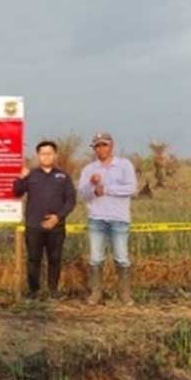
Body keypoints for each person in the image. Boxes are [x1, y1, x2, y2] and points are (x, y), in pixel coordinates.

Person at [77, 131, 137, 305]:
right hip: (97, 219)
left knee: (121, 257)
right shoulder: (89, 169)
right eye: (97, 145)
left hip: (119, 219)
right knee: (96, 258)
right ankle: (96, 294)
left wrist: (107, 189)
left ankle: (124, 294)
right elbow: (83, 193)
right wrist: (93, 188)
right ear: (94, 148)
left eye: (104, 144)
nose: (101, 148)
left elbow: (131, 188)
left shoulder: (124, 165)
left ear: (112, 146)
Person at [13, 140, 76, 299]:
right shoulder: (31, 175)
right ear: (38, 156)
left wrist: (58, 217)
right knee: (34, 259)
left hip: (56, 227)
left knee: (55, 259)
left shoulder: (63, 177)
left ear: (55, 155)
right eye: (43, 153)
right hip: (34, 226)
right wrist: (20, 178)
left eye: (49, 153)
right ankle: (34, 291)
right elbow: (17, 192)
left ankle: (53, 291)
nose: (46, 156)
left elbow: (70, 201)